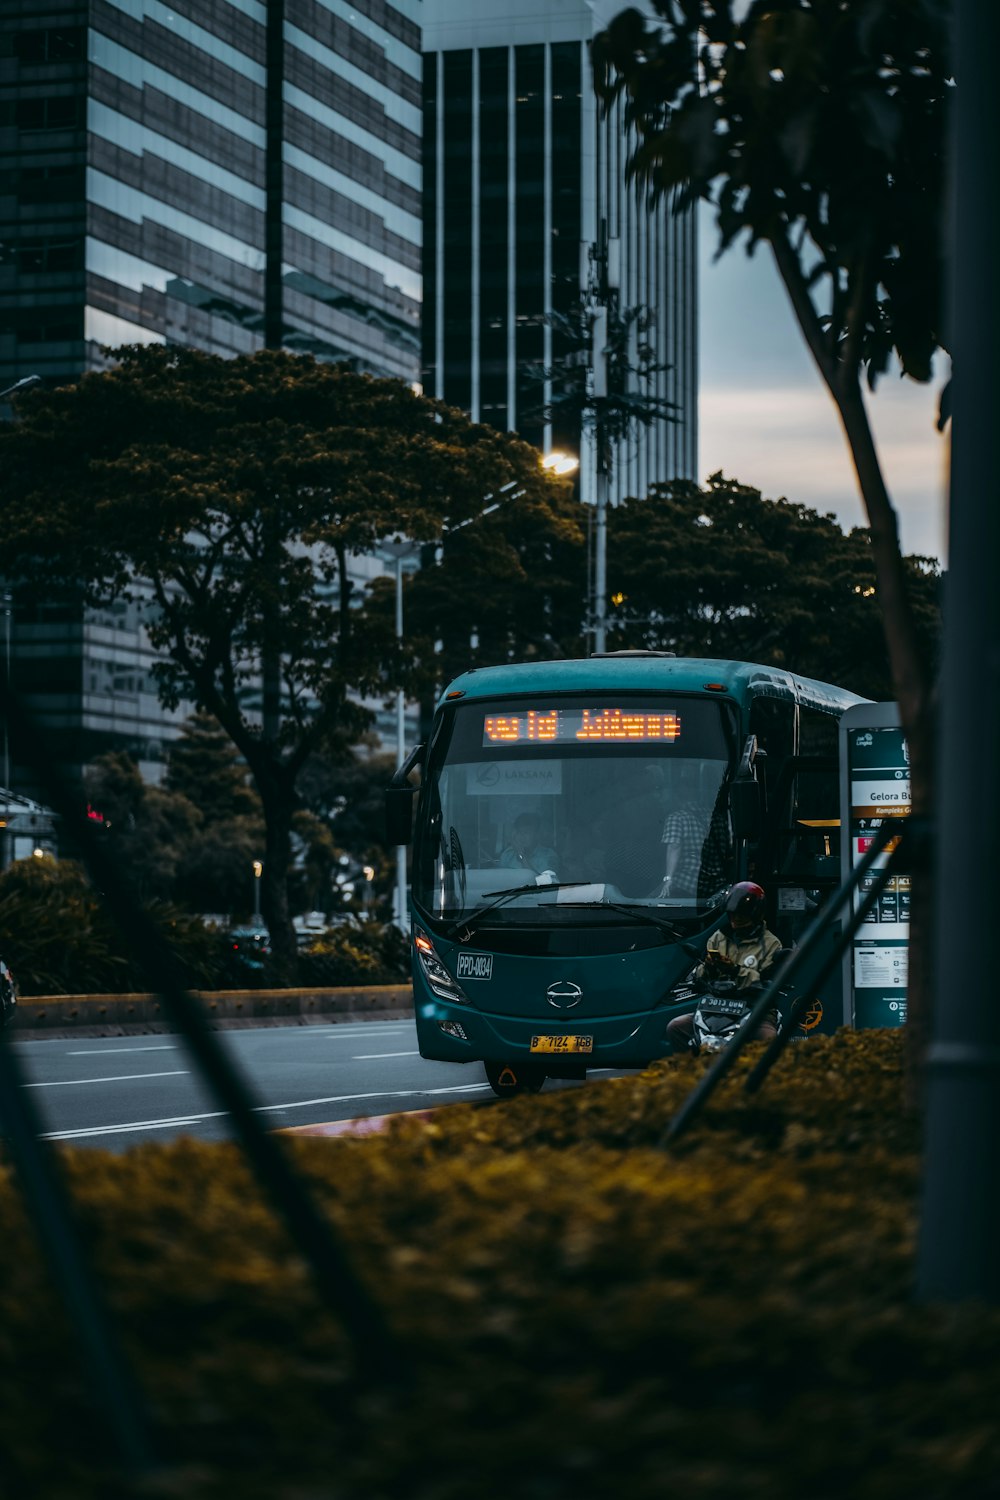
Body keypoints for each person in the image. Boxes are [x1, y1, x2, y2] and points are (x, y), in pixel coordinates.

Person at [666, 881, 783, 1051]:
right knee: (675, 1027)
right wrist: (708, 967)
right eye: (733, 914)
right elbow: (700, 976)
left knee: (768, 1040)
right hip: (717, 1008)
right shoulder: (718, 938)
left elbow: (766, 980)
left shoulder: (771, 944)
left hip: (756, 1010)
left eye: (742, 915)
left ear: (756, 914)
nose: (736, 919)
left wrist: (734, 970)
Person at [658, 765, 732, 901]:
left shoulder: (676, 818)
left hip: (686, 883)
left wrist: (668, 878)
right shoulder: (714, 816)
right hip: (715, 884)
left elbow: (674, 846)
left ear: (676, 796)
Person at [499, 812, 558, 881]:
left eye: (526, 832)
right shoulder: (507, 855)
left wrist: (521, 856)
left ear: (536, 835)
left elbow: (540, 883)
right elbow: (500, 880)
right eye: (519, 832)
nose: (521, 837)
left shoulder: (548, 856)